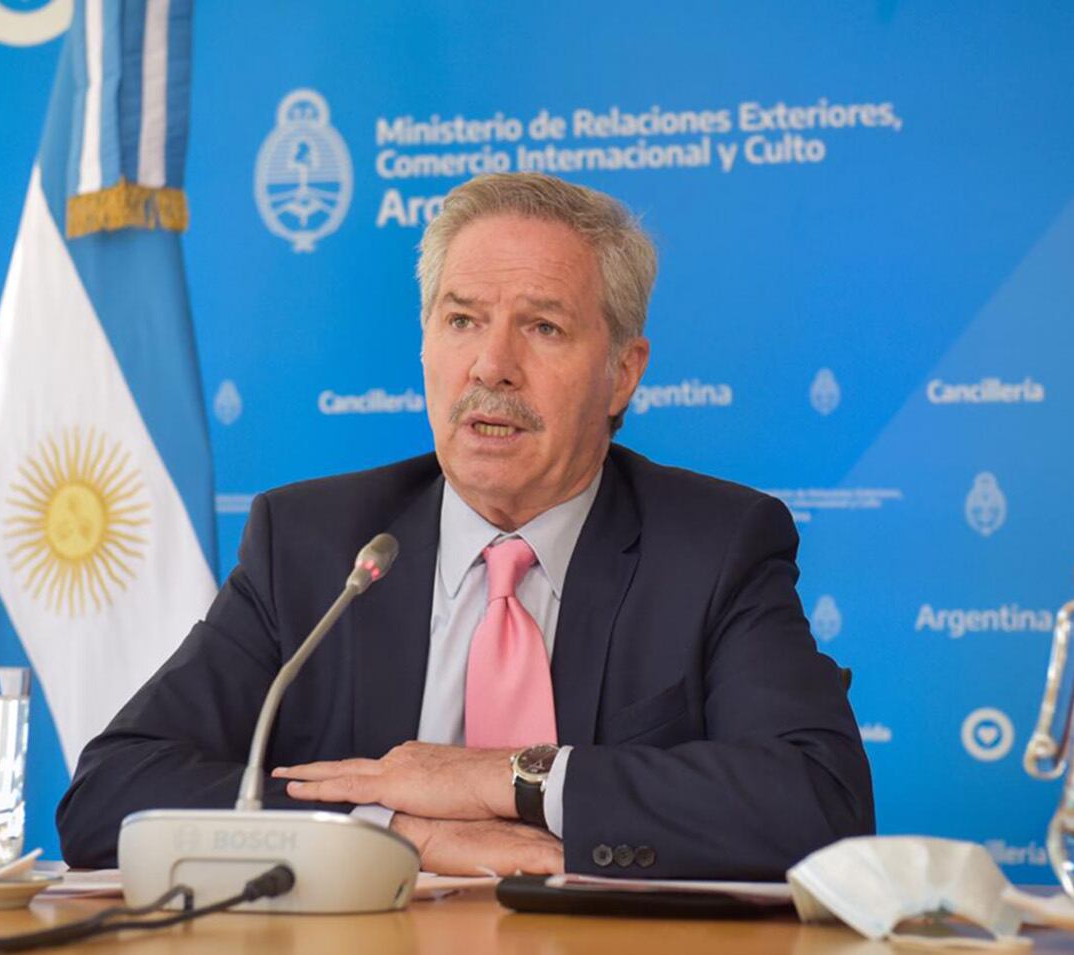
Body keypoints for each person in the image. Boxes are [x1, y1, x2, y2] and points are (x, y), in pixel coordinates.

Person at [56, 172, 873, 877]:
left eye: (543, 326)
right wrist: (393, 830)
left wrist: (501, 778)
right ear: (425, 345)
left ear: (622, 373)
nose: (491, 366)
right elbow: (108, 795)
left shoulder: (714, 546)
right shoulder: (310, 544)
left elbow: (819, 802)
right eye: (462, 320)